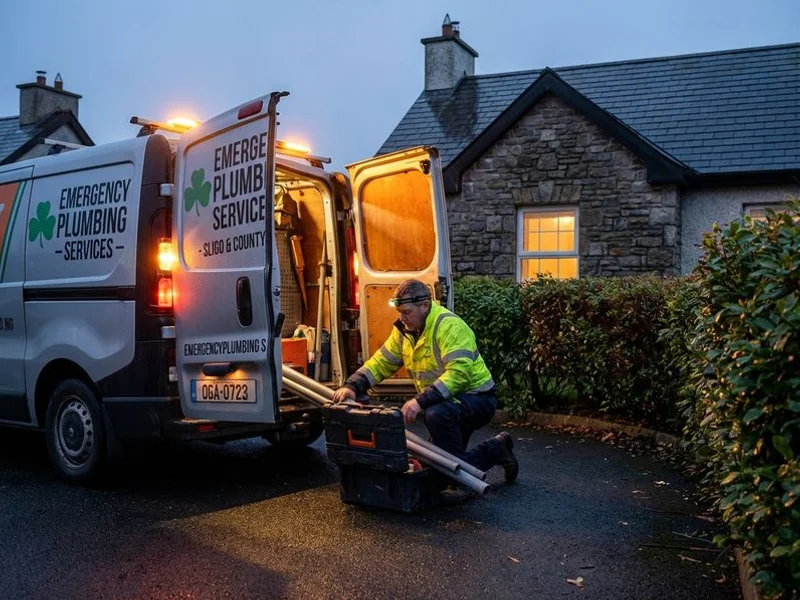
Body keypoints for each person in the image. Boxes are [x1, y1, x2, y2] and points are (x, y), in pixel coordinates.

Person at [332, 279, 518, 496]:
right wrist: (353, 386)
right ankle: (496, 450)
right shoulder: (405, 331)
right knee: (435, 460)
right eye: (400, 311)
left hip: (478, 399)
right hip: (448, 402)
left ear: (425, 305)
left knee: (436, 417)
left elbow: (459, 374)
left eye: (406, 311)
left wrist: (420, 401)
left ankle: (466, 478)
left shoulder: (449, 326)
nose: (402, 317)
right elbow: (381, 362)